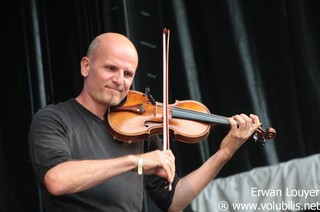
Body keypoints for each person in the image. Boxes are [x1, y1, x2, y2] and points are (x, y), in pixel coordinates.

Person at [28, 32, 262, 212]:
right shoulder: (54, 119)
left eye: (128, 74)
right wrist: (135, 161)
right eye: (111, 68)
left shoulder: (140, 130)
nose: (119, 81)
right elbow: (56, 180)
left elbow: (173, 202)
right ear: (86, 66)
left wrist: (225, 152)